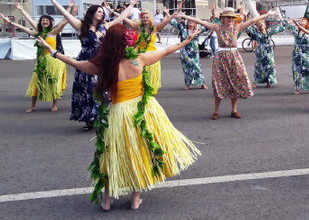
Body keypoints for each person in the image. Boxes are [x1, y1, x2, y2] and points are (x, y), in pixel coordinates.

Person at [37, 24, 201, 210]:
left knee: (112, 155)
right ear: (127, 41)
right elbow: (166, 51)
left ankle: (107, 201)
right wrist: (186, 41)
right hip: (143, 111)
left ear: (107, 43)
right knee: (138, 152)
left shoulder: (101, 66)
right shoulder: (139, 60)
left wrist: (53, 52)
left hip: (117, 114)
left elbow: (75, 63)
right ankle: (134, 200)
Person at [48, 0, 139, 131]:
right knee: (86, 91)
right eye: (99, 11)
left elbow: (121, 18)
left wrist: (132, 5)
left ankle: (103, 117)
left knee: (102, 90)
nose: (101, 13)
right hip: (85, 61)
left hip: (101, 61)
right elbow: (65, 13)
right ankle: (89, 119)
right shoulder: (81, 25)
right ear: (92, 13)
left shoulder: (106, 26)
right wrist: (53, 0)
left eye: (102, 12)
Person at [180, 8, 278, 119]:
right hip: (221, 57)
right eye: (228, 18)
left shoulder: (237, 27)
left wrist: (267, 14)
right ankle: (216, 111)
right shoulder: (217, 27)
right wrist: (185, 16)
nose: (230, 19)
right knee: (218, 83)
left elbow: (253, 20)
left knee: (235, 83)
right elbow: (201, 21)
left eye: (232, 18)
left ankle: (234, 110)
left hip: (234, 57)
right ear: (222, 18)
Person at [1, 3, 72, 112]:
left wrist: (70, 9)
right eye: (42, 20)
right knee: (35, 83)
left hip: (53, 62)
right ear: (40, 22)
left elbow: (63, 22)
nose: (44, 21)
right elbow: (25, 25)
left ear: (50, 23)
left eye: (46, 20)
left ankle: (54, 104)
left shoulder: (53, 32)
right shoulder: (37, 33)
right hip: (40, 61)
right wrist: (17, 14)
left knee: (53, 83)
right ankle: (32, 106)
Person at [112, 3, 183, 94]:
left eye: (147, 17)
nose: (145, 19)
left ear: (150, 19)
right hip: (138, 55)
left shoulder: (155, 28)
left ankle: (149, 97)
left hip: (151, 56)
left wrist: (176, 12)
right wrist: (112, 11)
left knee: (150, 80)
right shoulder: (137, 27)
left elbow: (167, 20)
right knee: (138, 78)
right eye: (143, 17)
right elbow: (123, 18)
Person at [171, 12, 209, 90]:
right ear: (187, 23)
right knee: (186, 68)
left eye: (193, 22)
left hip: (194, 52)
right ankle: (188, 84)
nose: (191, 23)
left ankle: (202, 83)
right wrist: (168, 13)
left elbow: (208, 26)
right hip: (184, 52)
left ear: (195, 24)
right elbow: (173, 22)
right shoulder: (183, 29)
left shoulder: (197, 29)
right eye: (189, 21)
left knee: (197, 67)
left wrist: (212, 14)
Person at [247, 12, 284, 88]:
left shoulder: (269, 31)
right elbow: (248, 27)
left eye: (261, 23)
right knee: (258, 66)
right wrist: (246, 17)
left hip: (269, 52)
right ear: (257, 26)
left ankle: (269, 81)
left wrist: (280, 17)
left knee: (269, 66)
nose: (260, 24)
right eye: (258, 23)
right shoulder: (256, 32)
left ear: (264, 24)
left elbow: (280, 28)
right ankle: (255, 82)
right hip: (260, 51)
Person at [286, 17, 309, 94]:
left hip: (306, 53)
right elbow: (288, 26)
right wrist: (290, 21)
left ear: (307, 24)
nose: (301, 21)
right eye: (301, 20)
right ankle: (297, 88)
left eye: (303, 21)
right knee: (296, 70)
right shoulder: (295, 31)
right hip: (297, 53)